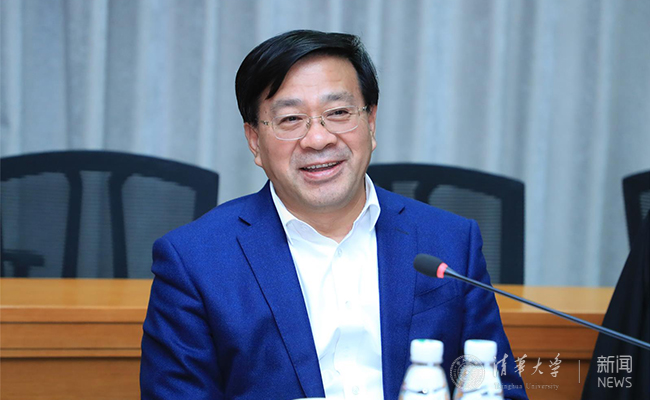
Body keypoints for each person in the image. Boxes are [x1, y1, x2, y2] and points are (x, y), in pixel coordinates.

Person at [140, 30, 527, 400]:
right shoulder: (194, 261)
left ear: (370, 123)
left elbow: (499, 389)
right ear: (255, 141)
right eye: (291, 119)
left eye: (339, 112)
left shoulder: (450, 241)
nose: (318, 138)